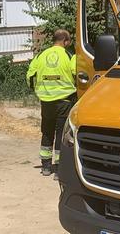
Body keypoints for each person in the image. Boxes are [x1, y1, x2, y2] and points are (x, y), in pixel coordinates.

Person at [27, 29, 77, 177]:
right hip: (64, 101)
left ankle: (46, 166)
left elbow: (30, 76)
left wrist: (38, 91)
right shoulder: (70, 56)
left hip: (46, 101)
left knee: (47, 132)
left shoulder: (41, 55)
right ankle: (59, 169)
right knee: (61, 134)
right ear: (65, 41)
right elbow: (78, 74)